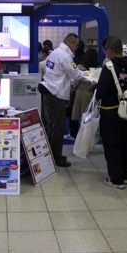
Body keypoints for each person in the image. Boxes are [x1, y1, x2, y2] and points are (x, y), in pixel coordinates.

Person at [38, 33, 90, 167]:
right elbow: (75, 74)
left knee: (52, 126)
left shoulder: (55, 52)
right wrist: (90, 77)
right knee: (58, 128)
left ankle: (51, 154)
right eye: (76, 44)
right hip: (57, 94)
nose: (77, 48)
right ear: (71, 43)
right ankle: (56, 157)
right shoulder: (65, 56)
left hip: (50, 92)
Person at [94, 36, 127, 189]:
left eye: (106, 50)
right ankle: (126, 175)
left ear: (110, 50)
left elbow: (101, 91)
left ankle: (116, 179)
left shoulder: (109, 67)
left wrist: (95, 87)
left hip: (111, 112)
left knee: (112, 145)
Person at [70, 47, 101, 138]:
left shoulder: (80, 67)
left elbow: (75, 81)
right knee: (91, 116)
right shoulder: (99, 68)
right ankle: (90, 136)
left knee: (81, 116)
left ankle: (81, 137)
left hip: (82, 93)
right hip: (93, 94)